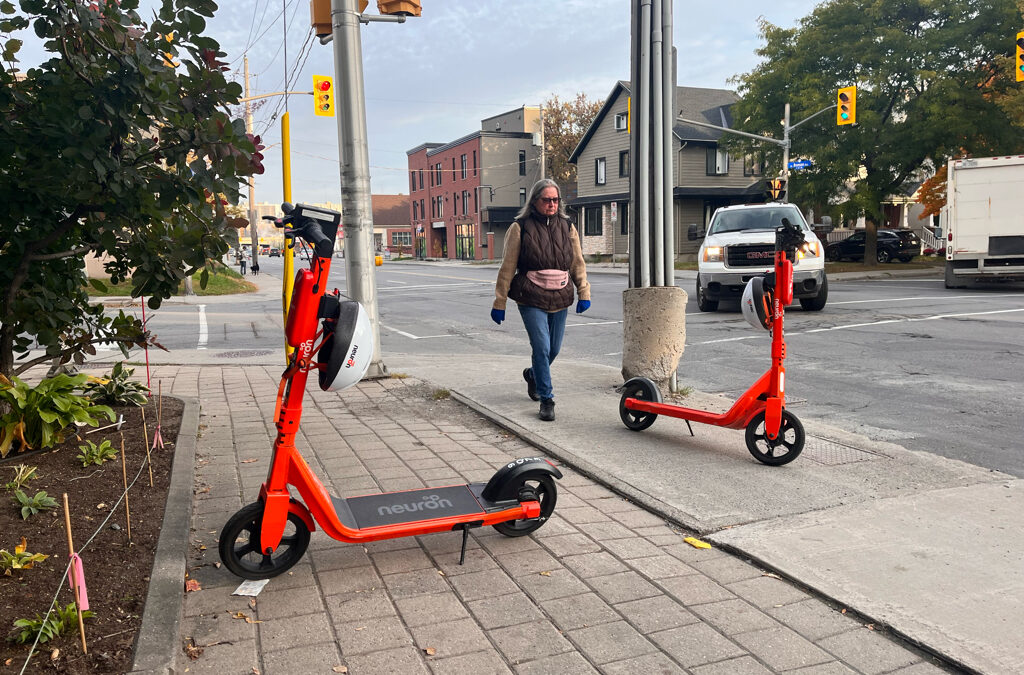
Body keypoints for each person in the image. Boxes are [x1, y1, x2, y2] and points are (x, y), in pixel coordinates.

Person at [491, 179, 591, 422]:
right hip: (530, 296)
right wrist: (499, 302)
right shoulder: (520, 227)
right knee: (542, 348)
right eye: (547, 200)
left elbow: (577, 262)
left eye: (555, 200)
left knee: (553, 349)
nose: (552, 204)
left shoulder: (568, 226)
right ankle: (546, 399)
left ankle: (533, 374)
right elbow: (508, 267)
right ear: (535, 201)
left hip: (560, 294)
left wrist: (584, 292)